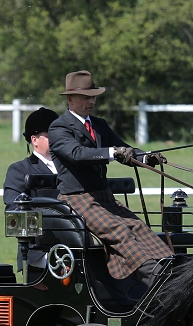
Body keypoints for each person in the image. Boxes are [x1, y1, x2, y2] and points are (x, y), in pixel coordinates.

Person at [48, 70, 173, 288]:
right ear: (70, 99)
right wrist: (112, 152)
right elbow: (77, 154)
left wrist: (145, 157)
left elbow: (124, 149)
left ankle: (171, 269)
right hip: (77, 199)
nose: (91, 101)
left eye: (93, 96)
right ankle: (156, 281)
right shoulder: (59, 128)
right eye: (86, 97)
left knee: (137, 226)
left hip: (103, 196)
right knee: (119, 231)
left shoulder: (99, 125)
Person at [3, 106, 60, 271]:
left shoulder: (72, 168)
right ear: (35, 140)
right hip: (39, 253)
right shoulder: (20, 170)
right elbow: (15, 213)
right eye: (52, 136)